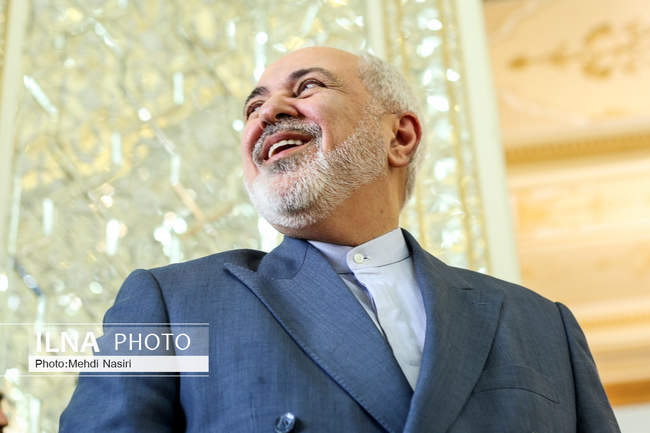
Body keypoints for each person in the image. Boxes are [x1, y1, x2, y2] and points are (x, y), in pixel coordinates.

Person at [59, 47, 620, 432]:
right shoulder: (165, 305)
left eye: (307, 87)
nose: (268, 112)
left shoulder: (544, 326)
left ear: (400, 136)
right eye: (253, 107)